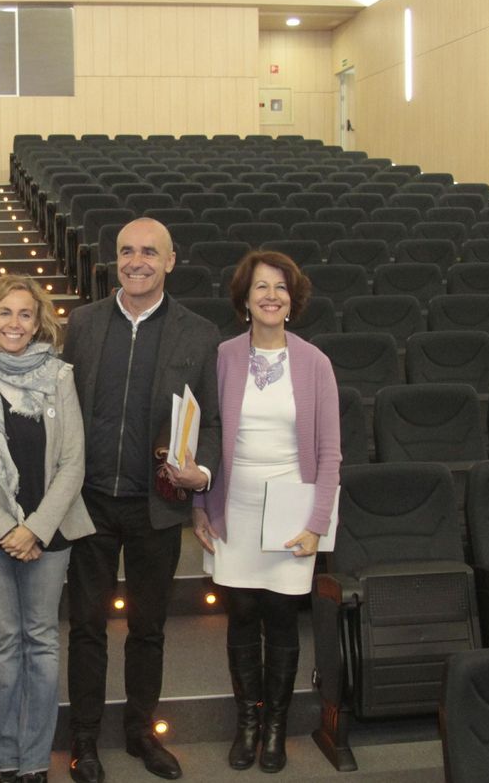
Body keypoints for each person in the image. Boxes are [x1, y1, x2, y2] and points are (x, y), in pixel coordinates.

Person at [62, 217, 223, 782]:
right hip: (88, 503)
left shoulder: (200, 335)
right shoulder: (80, 325)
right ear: (115, 259)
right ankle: (84, 739)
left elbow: (214, 422)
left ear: (170, 261)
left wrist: (200, 473)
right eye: (127, 251)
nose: (137, 261)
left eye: (149, 253)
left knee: (148, 628)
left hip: (156, 505)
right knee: (85, 626)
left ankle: (139, 732)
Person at [0, 274, 95, 783]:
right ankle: (6, 757)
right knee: (5, 643)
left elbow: (73, 463)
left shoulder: (59, 375)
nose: (14, 322)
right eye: (4, 312)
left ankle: (34, 760)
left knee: (43, 641)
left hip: (50, 531)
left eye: (25, 313)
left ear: (39, 322)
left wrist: (36, 528)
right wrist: (9, 528)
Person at [194, 250, 341, 773]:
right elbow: (205, 438)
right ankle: (248, 722)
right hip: (233, 504)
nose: (271, 295)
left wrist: (316, 524)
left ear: (292, 299)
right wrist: (200, 508)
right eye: (261, 287)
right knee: (242, 617)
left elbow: (329, 453)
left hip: (291, 512)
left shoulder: (315, 362)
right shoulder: (223, 356)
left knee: (281, 620)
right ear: (245, 299)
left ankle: (275, 727)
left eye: (280, 287)